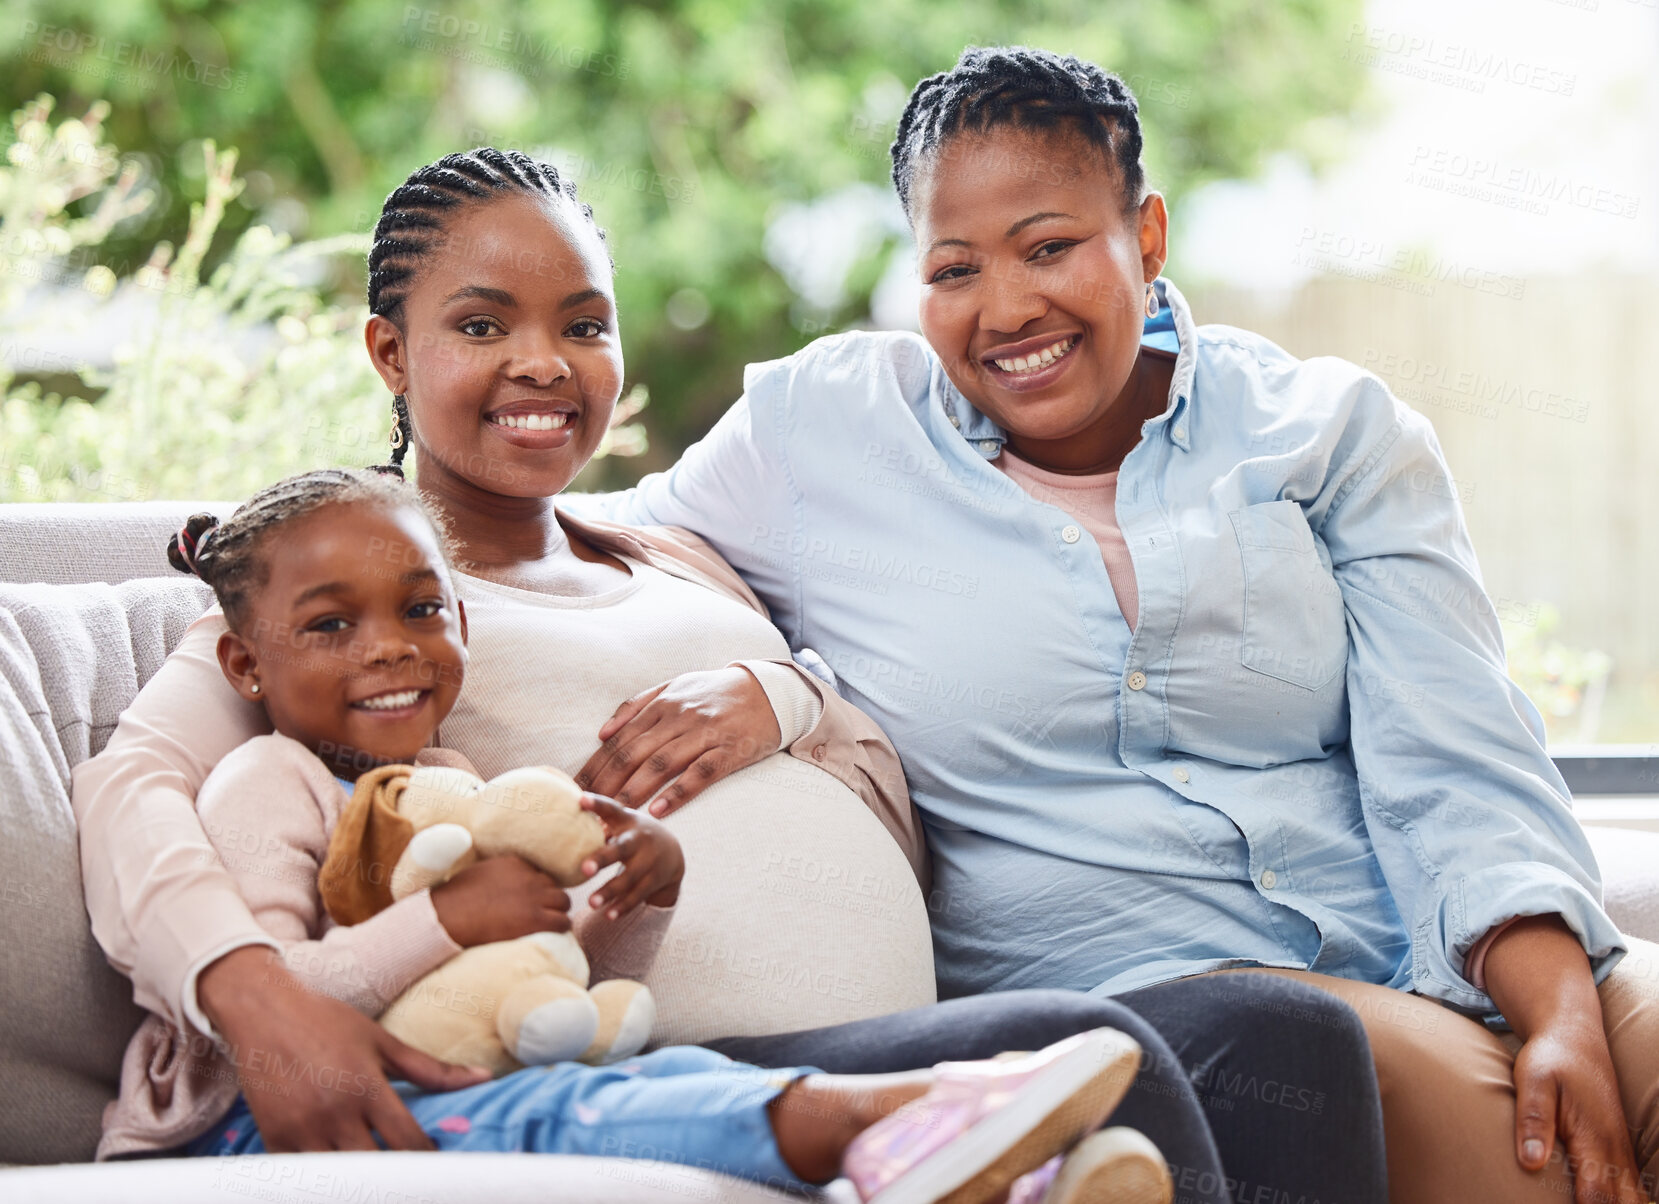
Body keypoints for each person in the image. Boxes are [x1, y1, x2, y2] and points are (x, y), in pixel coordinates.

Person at [71, 147, 1386, 1204]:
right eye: (484, 324)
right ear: (388, 356)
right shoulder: (360, 603)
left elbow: (878, 753)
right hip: (639, 1050)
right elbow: (135, 784)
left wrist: (782, 699)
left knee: (1292, 1044)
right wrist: (251, 995)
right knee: (1115, 1069)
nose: (541, 363)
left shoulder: (677, 548)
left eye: (580, 324)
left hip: (888, 1011)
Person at [568, 45, 1659, 1204]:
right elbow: (589, 547)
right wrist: (788, 686)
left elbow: (1458, 749)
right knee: (1545, 1170)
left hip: (1429, 940)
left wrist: (1561, 1013)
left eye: (1050, 247)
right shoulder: (824, 434)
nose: (1006, 307)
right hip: (1191, 1013)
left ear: (1146, 236)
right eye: (954, 268)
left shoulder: (1325, 431)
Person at [98, 464, 1156, 1204]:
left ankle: (940, 1155)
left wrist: (637, 895)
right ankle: (884, 1119)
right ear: (246, 665)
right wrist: (446, 916)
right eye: (334, 625)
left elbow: (544, 961)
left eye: (423, 610)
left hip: (479, 1067)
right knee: (593, 1106)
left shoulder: (460, 776)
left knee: (643, 1083)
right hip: (253, 1121)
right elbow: (277, 1019)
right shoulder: (265, 776)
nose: (389, 650)